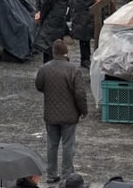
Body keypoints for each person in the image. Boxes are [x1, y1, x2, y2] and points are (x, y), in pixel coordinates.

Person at [35, 39, 88, 184]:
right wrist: (84, 110)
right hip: (69, 115)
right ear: (66, 52)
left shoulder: (44, 68)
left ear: (53, 52)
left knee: (52, 145)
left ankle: (51, 174)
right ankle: (67, 176)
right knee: (68, 145)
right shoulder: (73, 70)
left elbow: (39, 86)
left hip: (51, 114)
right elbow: (80, 94)